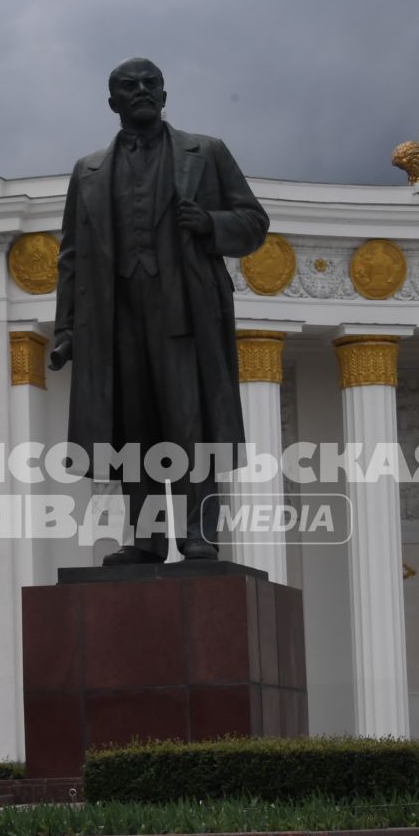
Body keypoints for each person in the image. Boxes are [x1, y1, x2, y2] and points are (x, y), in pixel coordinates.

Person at [49, 57, 269, 562]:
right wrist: (66, 331)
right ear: (113, 103)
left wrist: (211, 223)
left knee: (190, 425)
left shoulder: (206, 153)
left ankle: (198, 531)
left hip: (185, 315)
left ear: (165, 96)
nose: (143, 90)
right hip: (116, 318)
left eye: (152, 84)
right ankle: (148, 538)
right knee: (134, 428)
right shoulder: (89, 171)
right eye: (130, 86)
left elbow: (254, 221)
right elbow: (72, 257)